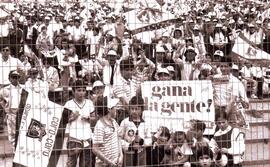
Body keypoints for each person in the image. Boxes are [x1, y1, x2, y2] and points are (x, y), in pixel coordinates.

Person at [64, 79, 96, 167]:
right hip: (74, 138)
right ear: (73, 91)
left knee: (86, 165)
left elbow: (94, 118)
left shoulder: (89, 103)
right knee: (71, 164)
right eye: (78, 90)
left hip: (87, 137)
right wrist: (72, 117)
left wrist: (89, 118)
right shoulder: (68, 104)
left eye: (83, 90)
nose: (81, 93)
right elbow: (63, 121)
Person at [119, 96, 152, 166]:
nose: (134, 111)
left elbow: (149, 140)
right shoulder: (125, 122)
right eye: (132, 109)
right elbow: (119, 139)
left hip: (141, 154)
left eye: (136, 109)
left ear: (142, 109)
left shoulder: (145, 123)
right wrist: (130, 145)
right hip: (128, 154)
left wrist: (141, 141)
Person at [93, 96, 123, 167]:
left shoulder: (114, 122)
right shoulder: (100, 125)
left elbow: (118, 138)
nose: (116, 109)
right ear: (109, 109)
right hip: (104, 165)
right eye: (114, 107)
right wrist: (109, 162)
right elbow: (95, 149)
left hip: (116, 163)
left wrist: (121, 155)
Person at [0, 70, 24, 151]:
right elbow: (1, 99)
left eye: (17, 77)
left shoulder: (23, 88)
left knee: (23, 131)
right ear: (9, 78)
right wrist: (6, 108)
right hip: (12, 112)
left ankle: (22, 149)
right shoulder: (4, 90)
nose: (15, 79)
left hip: (23, 112)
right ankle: (15, 149)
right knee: (12, 132)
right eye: (13, 77)